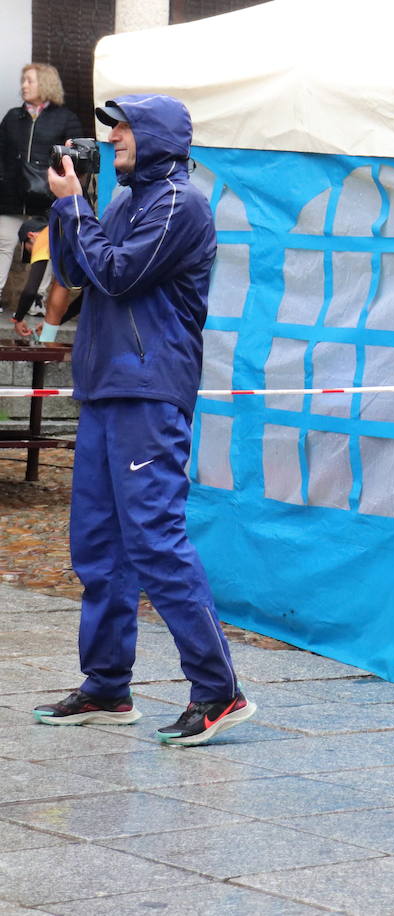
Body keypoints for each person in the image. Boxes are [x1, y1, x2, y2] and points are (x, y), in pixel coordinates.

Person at [31, 95, 255, 746]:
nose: (114, 137)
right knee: (98, 547)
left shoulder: (181, 204)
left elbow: (120, 274)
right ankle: (107, 686)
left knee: (155, 541)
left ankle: (220, 691)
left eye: (124, 127)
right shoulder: (131, 200)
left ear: (158, 136)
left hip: (148, 390)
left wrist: (79, 212)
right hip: (105, 386)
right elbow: (76, 273)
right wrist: (64, 206)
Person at [0, 64, 83, 300]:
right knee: (4, 243)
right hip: (11, 196)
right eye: (23, 80)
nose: (24, 86)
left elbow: (76, 157)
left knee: (44, 249)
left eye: (30, 80)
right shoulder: (13, 117)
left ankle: (36, 301)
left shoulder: (66, 118)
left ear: (46, 83)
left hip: (46, 198)